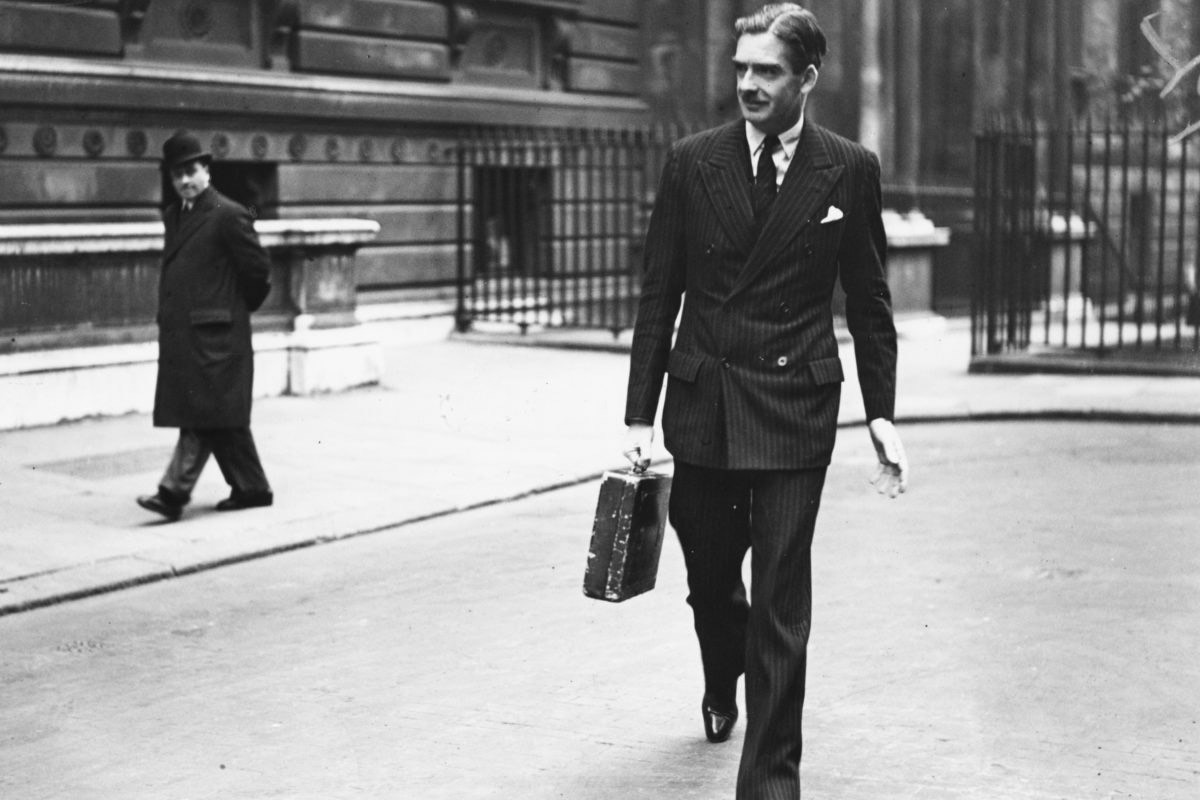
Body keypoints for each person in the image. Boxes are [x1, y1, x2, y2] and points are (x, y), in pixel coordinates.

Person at [622, 4, 908, 798]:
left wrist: (882, 412)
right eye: (741, 68)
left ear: (807, 78)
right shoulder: (693, 161)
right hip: (705, 403)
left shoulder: (847, 167)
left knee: (783, 599)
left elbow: (870, 298)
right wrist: (637, 417)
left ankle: (771, 783)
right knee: (712, 582)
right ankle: (723, 678)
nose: (747, 84)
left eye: (767, 72)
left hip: (794, 408)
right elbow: (659, 294)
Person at [136, 130, 274, 522]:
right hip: (189, 337)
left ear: (206, 170)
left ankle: (172, 493)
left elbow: (258, 273)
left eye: (191, 171)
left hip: (218, 338)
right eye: (177, 174)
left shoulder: (229, 214)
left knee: (202, 414)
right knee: (220, 416)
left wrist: (230, 313)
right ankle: (253, 488)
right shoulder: (174, 215)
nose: (184, 181)